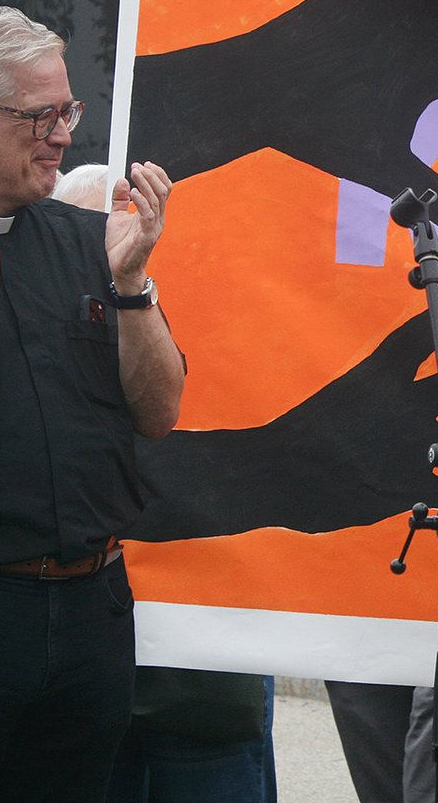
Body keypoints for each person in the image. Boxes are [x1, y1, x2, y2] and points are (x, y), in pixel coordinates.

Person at [0, 5, 185, 802]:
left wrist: (132, 288)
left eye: (67, 111)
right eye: (42, 116)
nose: (64, 136)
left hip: (91, 607)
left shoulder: (89, 239)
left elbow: (159, 412)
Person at [51, 164, 277, 803]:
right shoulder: (28, 322)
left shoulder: (201, 320)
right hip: (83, 662)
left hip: (202, 672)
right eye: (75, 236)